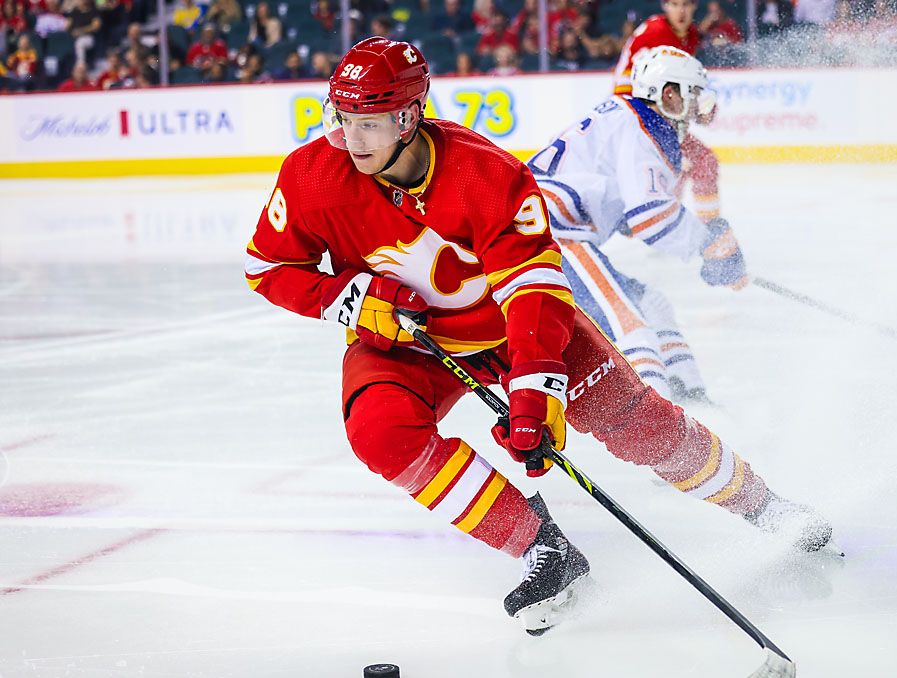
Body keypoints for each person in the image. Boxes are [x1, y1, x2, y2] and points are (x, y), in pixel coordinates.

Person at [244, 37, 832, 636]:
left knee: (638, 422)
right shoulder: (312, 177)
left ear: (407, 115)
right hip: (406, 338)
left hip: (510, 327)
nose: (348, 137)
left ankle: (764, 505)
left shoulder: (484, 172)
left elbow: (535, 289)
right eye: (339, 118)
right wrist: (351, 299)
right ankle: (541, 546)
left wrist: (534, 385)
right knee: (381, 433)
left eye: (365, 122)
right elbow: (268, 267)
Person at [528, 46, 741, 404]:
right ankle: (662, 424)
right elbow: (649, 215)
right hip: (547, 233)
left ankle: (692, 398)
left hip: (549, 224)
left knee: (652, 304)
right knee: (631, 327)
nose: (698, 103)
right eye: (694, 92)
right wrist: (711, 246)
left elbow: (625, 208)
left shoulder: (628, 115)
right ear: (668, 93)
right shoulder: (646, 128)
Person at [614, 0, 723, 227]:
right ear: (665, 6)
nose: (681, 11)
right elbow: (648, 91)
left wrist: (691, 109)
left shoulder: (689, 34)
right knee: (702, 161)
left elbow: (675, 90)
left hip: (647, 114)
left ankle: (661, 220)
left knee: (678, 168)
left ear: (694, 6)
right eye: (674, 4)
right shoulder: (658, 34)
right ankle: (711, 230)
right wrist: (694, 111)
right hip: (638, 116)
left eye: (685, 4)